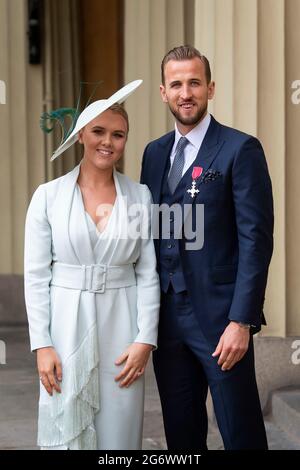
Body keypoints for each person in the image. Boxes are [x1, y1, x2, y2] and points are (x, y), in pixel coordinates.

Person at [140, 46, 274, 450]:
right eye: (177, 84)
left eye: (194, 83)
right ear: (163, 92)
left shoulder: (239, 149)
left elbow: (256, 240)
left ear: (210, 89)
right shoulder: (154, 153)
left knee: (241, 433)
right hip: (166, 319)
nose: (186, 92)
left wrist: (242, 321)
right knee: (182, 437)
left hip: (220, 321)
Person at [24, 80, 160, 450]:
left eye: (118, 134)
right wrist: (43, 345)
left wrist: (145, 338)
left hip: (122, 328)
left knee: (119, 433)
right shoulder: (48, 197)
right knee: (66, 422)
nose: (108, 142)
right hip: (66, 326)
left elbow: (148, 272)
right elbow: (36, 277)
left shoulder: (140, 195)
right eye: (98, 131)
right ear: (81, 134)